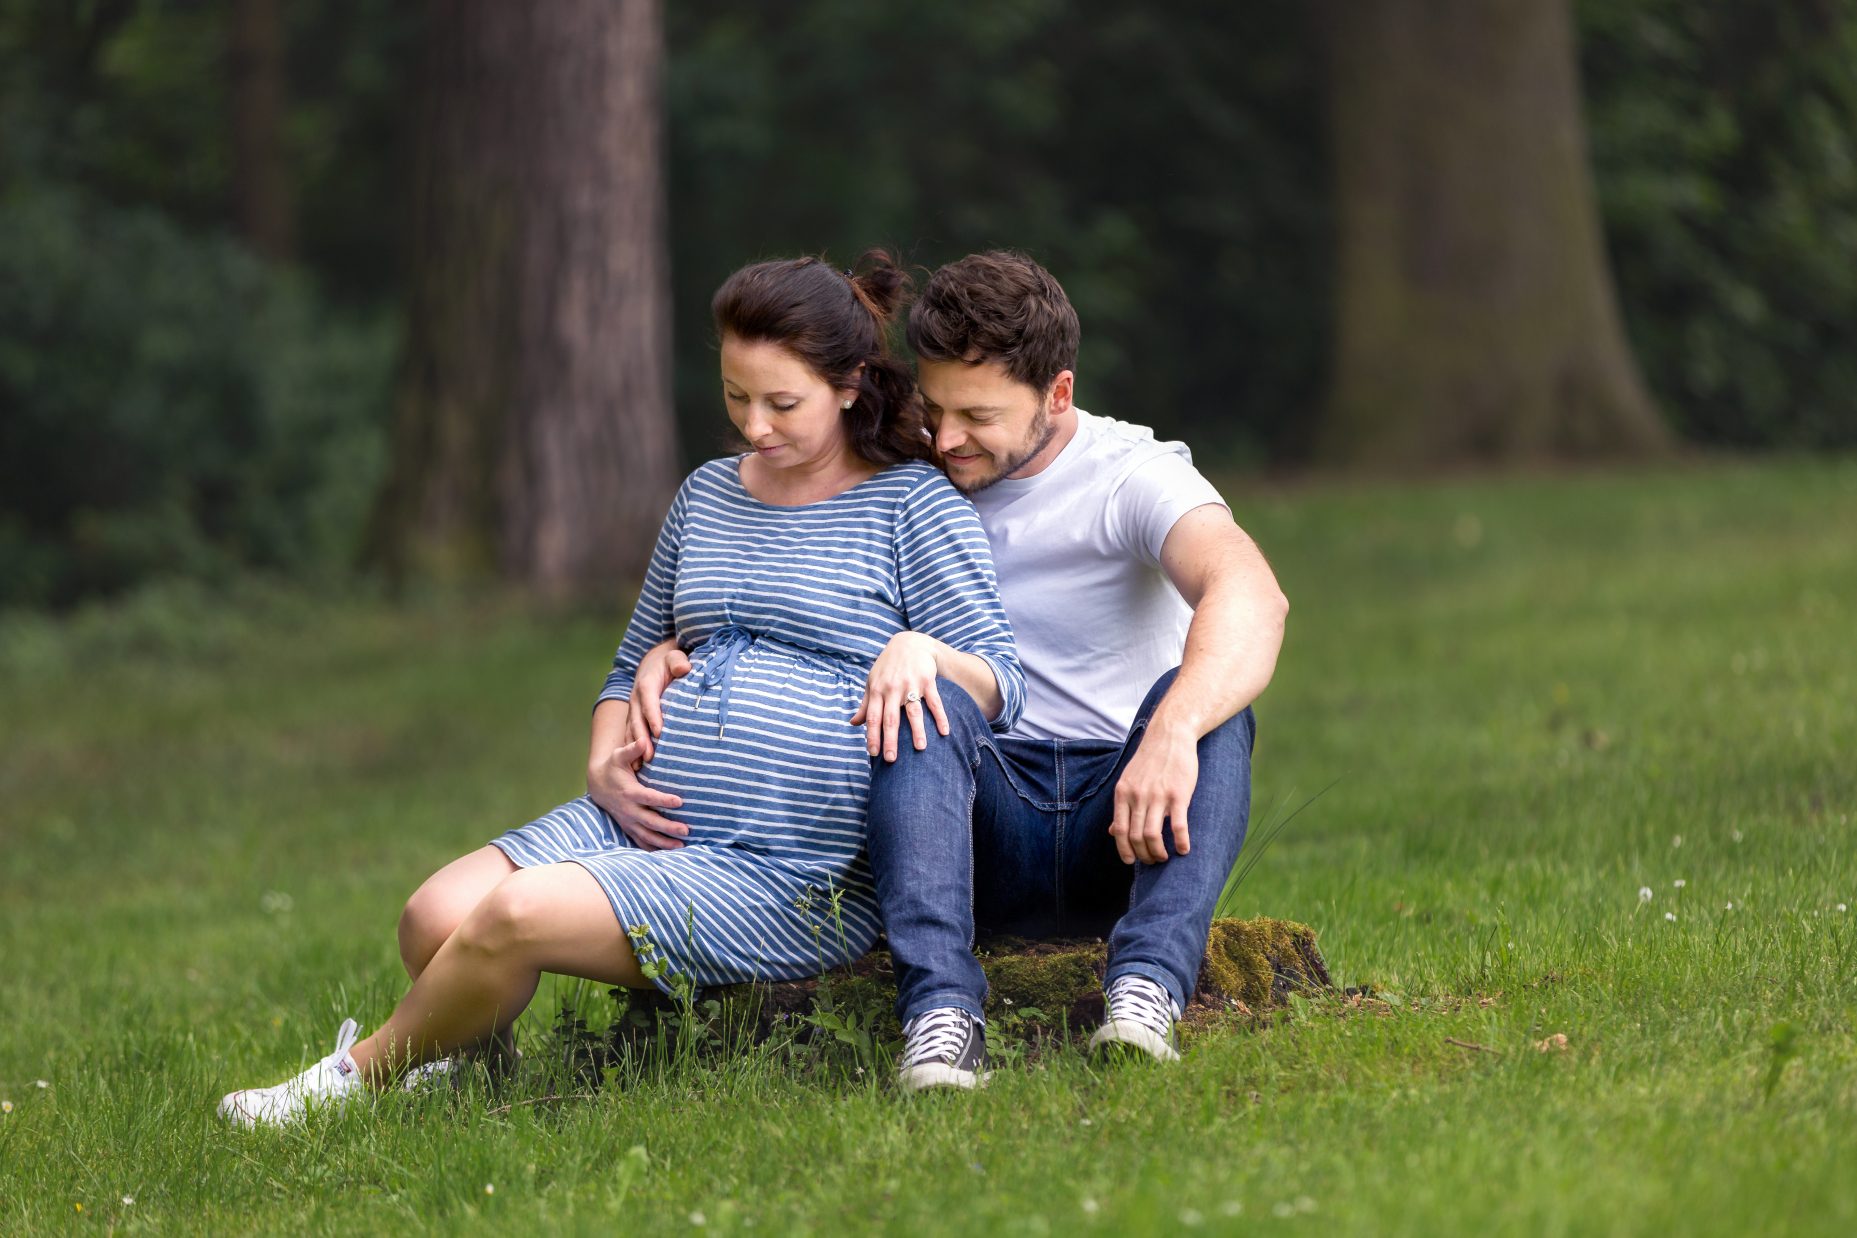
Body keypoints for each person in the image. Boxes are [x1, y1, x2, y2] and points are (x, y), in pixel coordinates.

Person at [218, 253, 1025, 1127]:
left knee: (517, 911)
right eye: (734, 397)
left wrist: (920, 651)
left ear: (849, 384)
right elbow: (631, 658)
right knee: (431, 915)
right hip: (644, 818)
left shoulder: (912, 506)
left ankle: (344, 1085)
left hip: (787, 868)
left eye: (781, 404)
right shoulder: (708, 495)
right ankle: (466, 1070)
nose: (754, 426)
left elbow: (1000, 684)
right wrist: (605, 759)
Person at [625, 250, 1287, 1091]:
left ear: (1057, 394)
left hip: (1127, 821)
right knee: (925, 694)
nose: (945, 438)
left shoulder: (1131, 474)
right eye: (934, 409)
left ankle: (1147, 989)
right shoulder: (909, 473)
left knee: (1211, 705)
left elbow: (1251, 594)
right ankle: (940, 1014)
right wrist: (676, 646)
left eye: (976, 415)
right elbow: (786, 571)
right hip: (973, 814)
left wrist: (1174, 731)